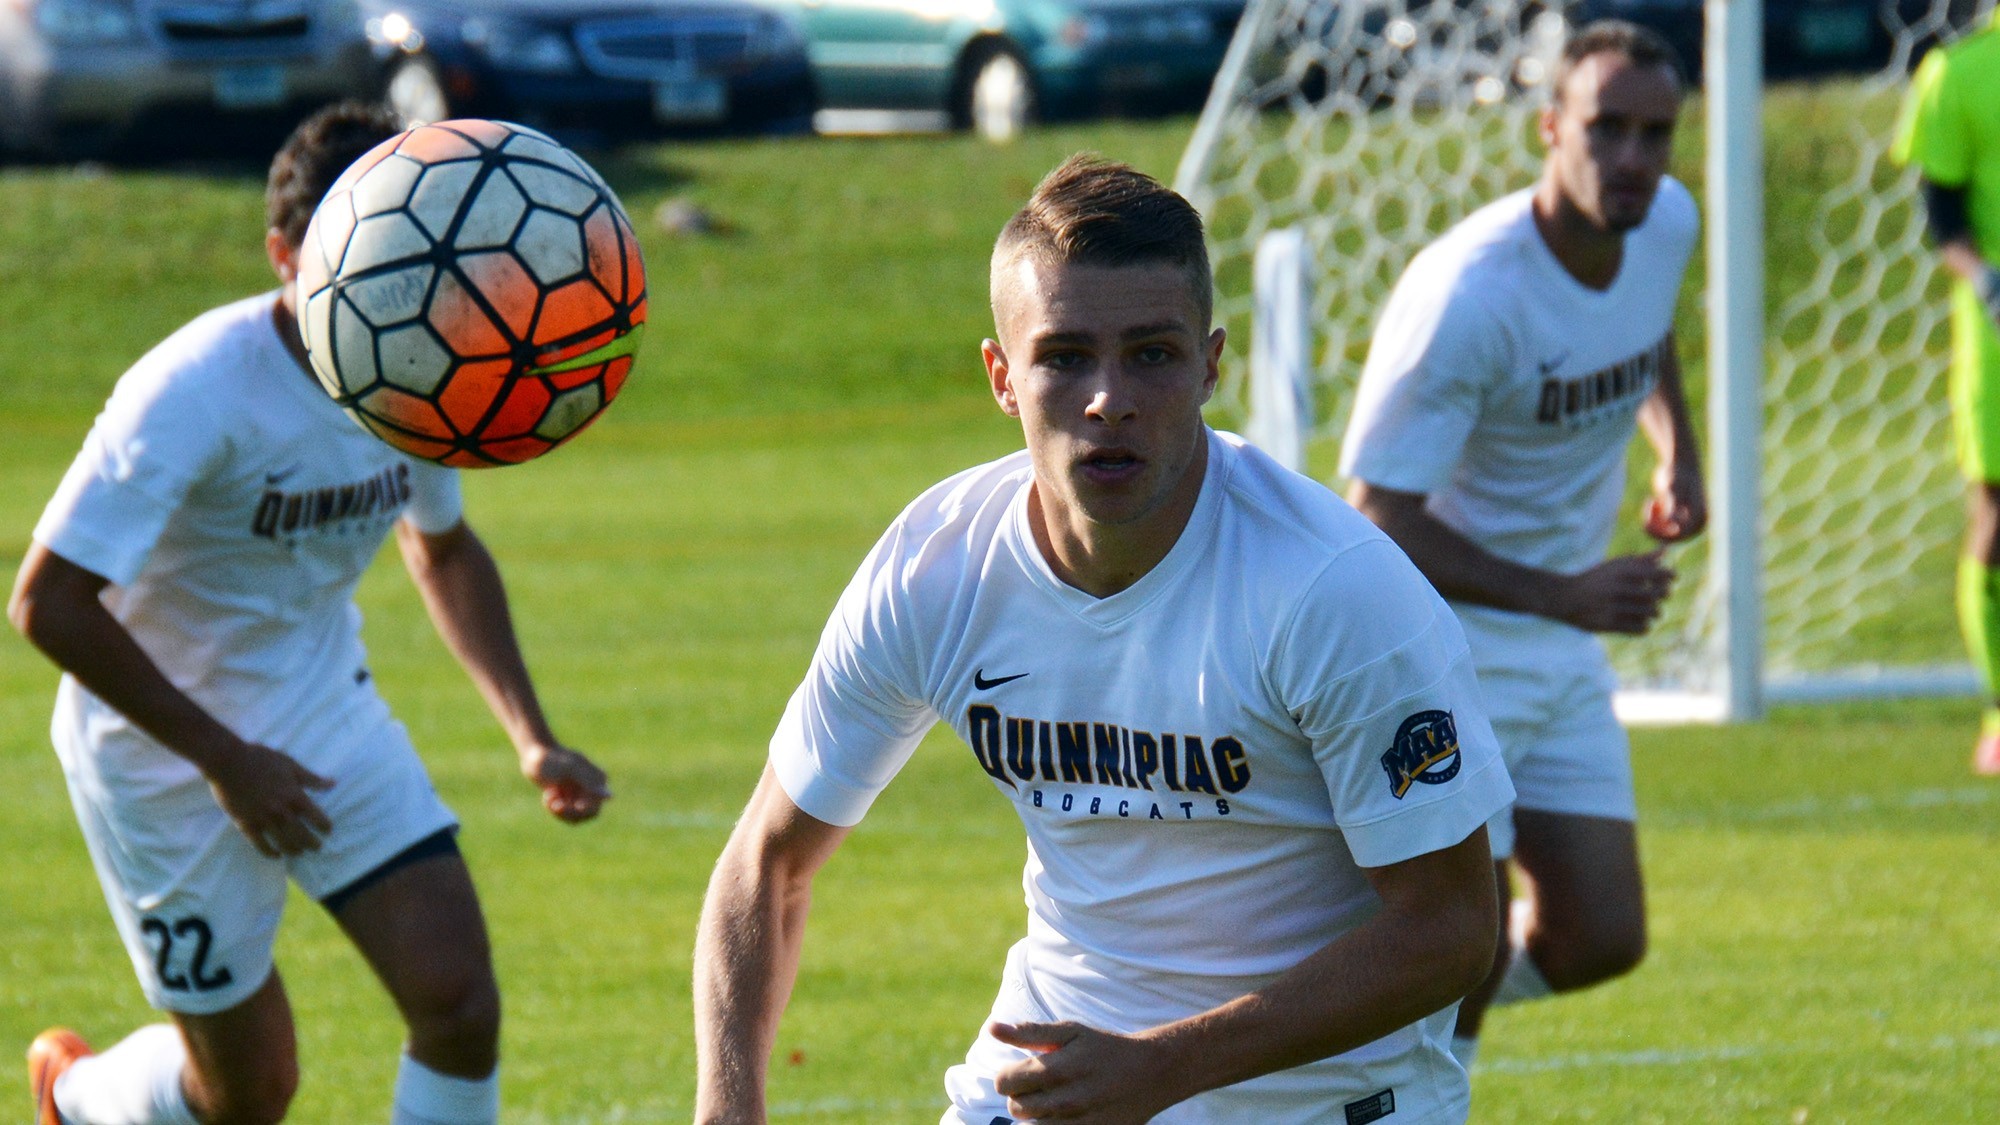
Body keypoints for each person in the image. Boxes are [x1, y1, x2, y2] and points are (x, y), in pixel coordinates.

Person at [693, 154, 1515, 1125]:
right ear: (1002, 376)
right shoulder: (933, 569)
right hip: (1052, 1083)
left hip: (1325, 1104)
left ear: (1210, 365)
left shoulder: (1330, 590)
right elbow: (767, 862)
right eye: (1064, 355)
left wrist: (1164, 1068)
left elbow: (1454, 928)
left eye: (1151, 355)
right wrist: (727, 1107)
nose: (1106, 398)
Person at [13, 102, 610, 1125]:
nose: (393, 281)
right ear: (287, 252)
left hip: (320, 709)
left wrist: (530, 735)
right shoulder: (194, 388)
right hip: (156, 754)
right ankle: (77, 1095)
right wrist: (223, 758)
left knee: (459, 1005)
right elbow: (46, 603)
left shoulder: (423, 362)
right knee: (248, 1095)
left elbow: (442, 546)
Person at [1338, 21, 1704, 1068]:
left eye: (1654, 133)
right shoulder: (1468, 297)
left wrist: (1674, 450)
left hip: (1556, 640)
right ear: (1549, 128)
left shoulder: (1662, 222)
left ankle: (1359, 1027)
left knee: (1599, 937)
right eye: (1606, 129)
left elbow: (1644, 328)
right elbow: (1374, 520)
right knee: (1454, 952)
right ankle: (1369, 1055)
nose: (1632, 158)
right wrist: (1568, 596)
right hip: (1439, 653)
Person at [1892, 11, 2000, 774]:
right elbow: (1945, 216)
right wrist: (1986, 280)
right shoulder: (1961, 74)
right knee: (1995, 516)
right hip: (1995, 344)